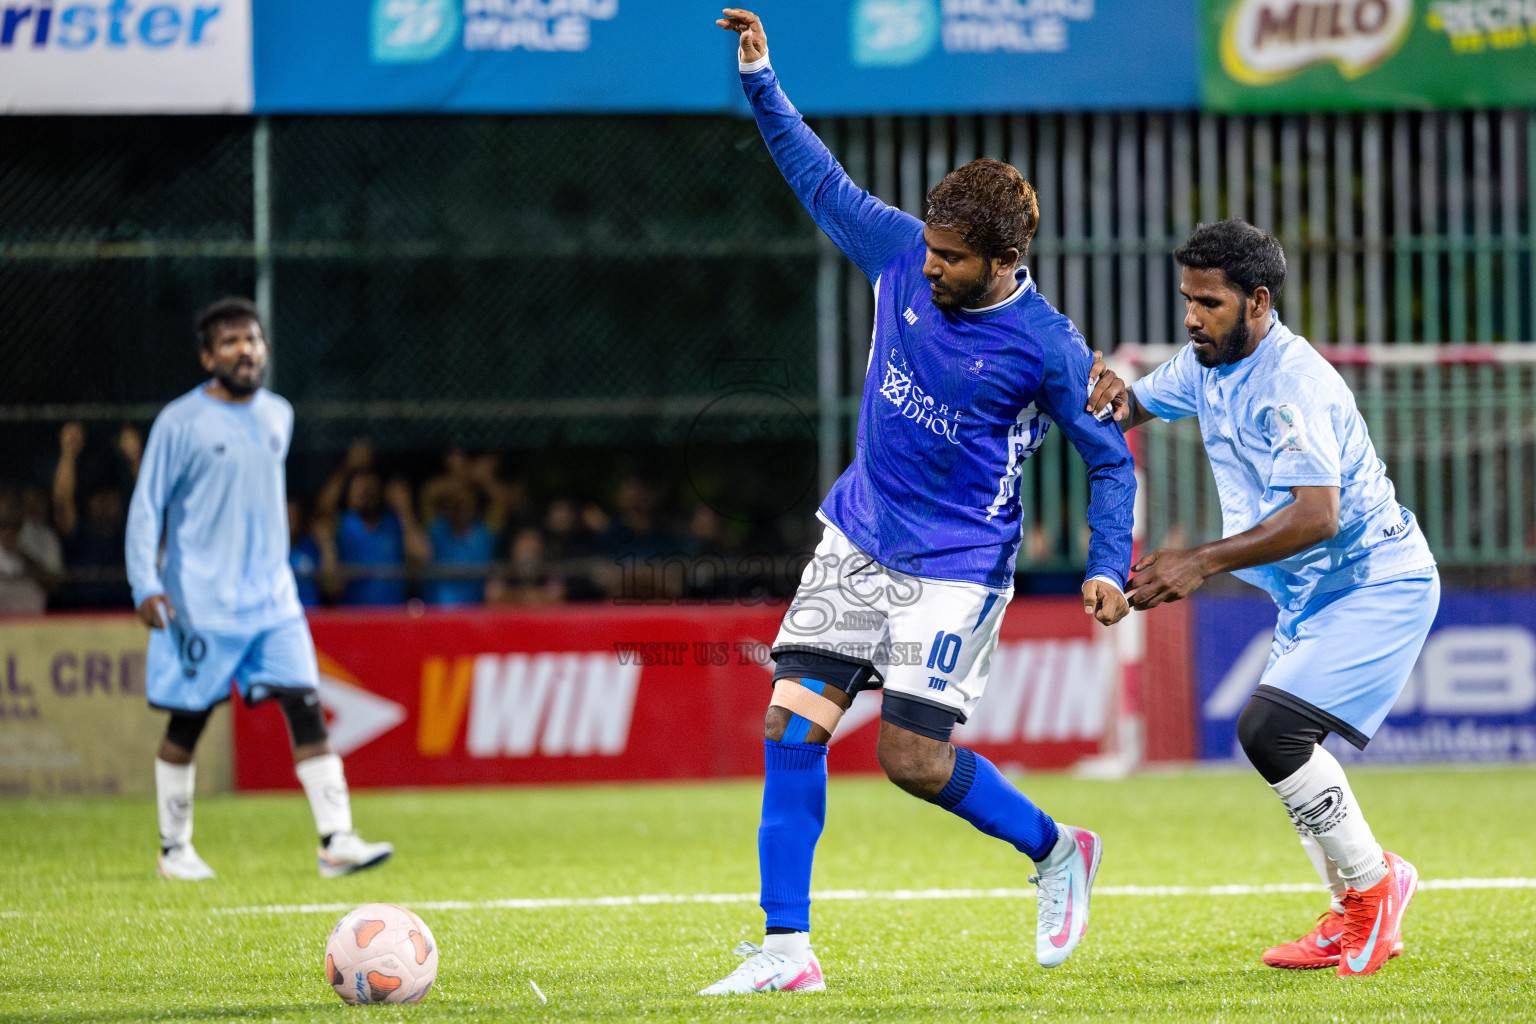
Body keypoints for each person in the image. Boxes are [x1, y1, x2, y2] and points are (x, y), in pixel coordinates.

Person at [701, 10, 1136, 996]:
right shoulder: (900, 251)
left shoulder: (1047, 347)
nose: (928, 265)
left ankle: (1058, 848)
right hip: (860, 534)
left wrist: (1109, 561)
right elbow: (822, 181)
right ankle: (786, 950)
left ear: (1001, 261)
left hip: (956, 565)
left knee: (910, 758)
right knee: (790, 726)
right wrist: (763, 80)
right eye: (929, 248)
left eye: (950, 257)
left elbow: (1111, 462)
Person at [1105, 220, 1436, 977]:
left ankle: (1372, 895)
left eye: (1209, 303)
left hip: (1377, 582)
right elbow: (1124, 407)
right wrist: (1058, 383)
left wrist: (1199, 562)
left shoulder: (1292, 385)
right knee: (1279, 748)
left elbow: (1317, 514)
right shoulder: (1205, 363)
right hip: (1314, 598)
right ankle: (1362, 897)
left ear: (1258, 302)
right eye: (1187, 299)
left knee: (1270, 731)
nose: (1191, 317)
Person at [126, 297, 393, 881]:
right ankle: (175, 849)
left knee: (305, 706)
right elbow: (147, 507)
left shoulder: (279, 414)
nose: (245, 351)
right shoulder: (180, 422)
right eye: (230, 342)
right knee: (188, 724)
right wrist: (145, 582)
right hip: (200, 604)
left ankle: (336, 840)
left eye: (253, 339)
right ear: (207, 356)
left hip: (273, 601)